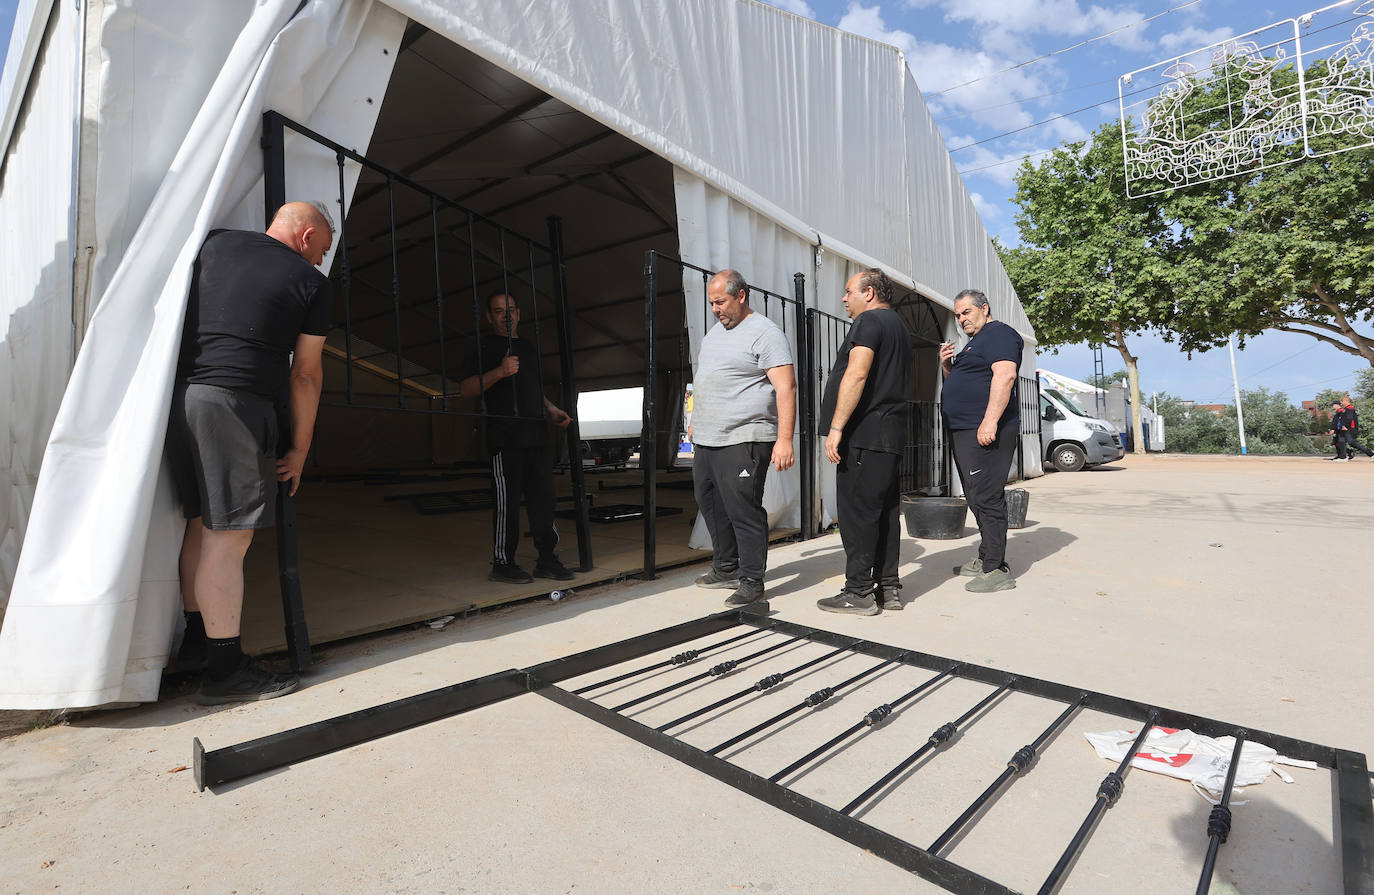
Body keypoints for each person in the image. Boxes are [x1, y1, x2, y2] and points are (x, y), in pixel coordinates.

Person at [167, 201, 335, 704]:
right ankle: (225, 671)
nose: (321, 264)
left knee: (202, 524)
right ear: (305, 237)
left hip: (185, 399)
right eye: (322, 251)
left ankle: (198, 641)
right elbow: (305, 374)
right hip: (236, 403)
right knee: (230, 538)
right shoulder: (311, 284)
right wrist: (300, 450)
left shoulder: (212, 242)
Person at [689, 269, 797, 607]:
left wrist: (785, 439)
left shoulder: (765, 333)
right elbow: (707, 379)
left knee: (742, 509)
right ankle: (726, 568)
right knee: (711, 504)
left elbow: (786, 387)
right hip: (708, 437)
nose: (715, 309)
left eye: (720, 302)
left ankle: (752, 580)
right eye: (711, 303)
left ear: (741, 296)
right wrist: (695, 421)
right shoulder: (713, 334)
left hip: (744, 437)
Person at [460, 293, 576, 584]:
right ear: (489, 317)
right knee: (507, 505)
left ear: (520, 313)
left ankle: (547, 560)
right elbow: (466, 389)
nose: (506, 315)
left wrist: (550, 409)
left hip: (536, 435)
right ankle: (502, 564)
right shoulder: (482, 346)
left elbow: (532, 387)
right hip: (505, 438)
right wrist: (500, 371)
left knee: (543, 501)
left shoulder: (527, 347)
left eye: (510, 309)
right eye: (499, 311)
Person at [815, 269, 910, 616]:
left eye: (848, 291)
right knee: (884, 513)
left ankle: (858, 592)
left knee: (857, 514)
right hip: (889, 435)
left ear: (868, 293)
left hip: (866, 434)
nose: (844, 298)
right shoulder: (898, 327)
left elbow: (857, 373)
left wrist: (837, 426)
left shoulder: (869, 323)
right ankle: (888, 587)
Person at [939, 289, 1023, 593]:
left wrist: (990, 421)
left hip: (984, 430)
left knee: (986, 496)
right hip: (965, 429)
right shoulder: (974, 344)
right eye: (958, 314)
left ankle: (996, 569)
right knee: (975, 496)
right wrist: (948, 367)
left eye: (966, 312)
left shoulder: (999, 334)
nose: (961, 319)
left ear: (984, 308)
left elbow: (1005, 377)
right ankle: (987, 555)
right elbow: (964, 384)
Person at [1339, 396, 1373, 460]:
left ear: (1346, 401)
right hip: (1346, 428)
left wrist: (1344, 426)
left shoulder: (1350, 408)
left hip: (1351, 429)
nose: (1341, 403)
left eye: (1342, 401)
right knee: (1341, 440)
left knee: (1352, 443)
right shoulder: (1346, 409)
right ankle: (1343, 457)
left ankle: (1371, 453)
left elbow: (1349, 419)